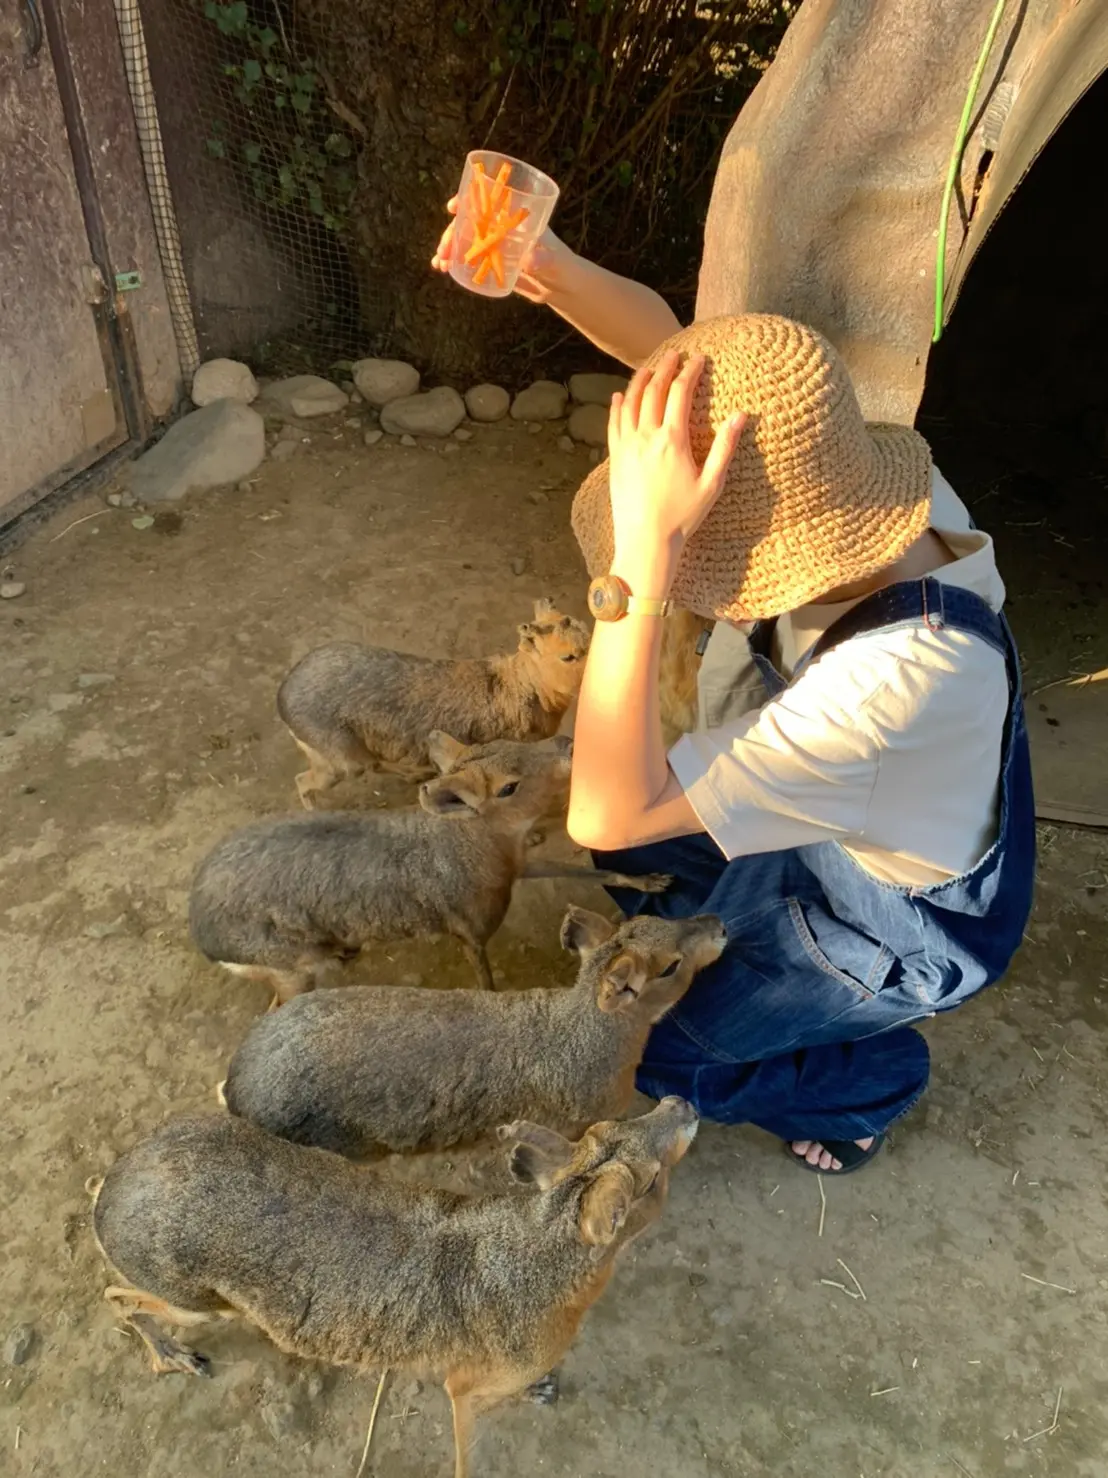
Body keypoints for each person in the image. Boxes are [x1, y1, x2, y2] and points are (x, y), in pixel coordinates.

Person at [432, 221, 1035, 1177]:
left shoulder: (889, 684)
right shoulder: (874, 492)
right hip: (846, 818)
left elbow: (609, 805)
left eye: (708, 571)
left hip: (891, 927)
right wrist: (547, 268)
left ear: (774, 552)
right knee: (626, 840)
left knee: (650, 1046)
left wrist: (641, 564)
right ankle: (729, 928)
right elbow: (679, 354)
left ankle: (870, 1081)